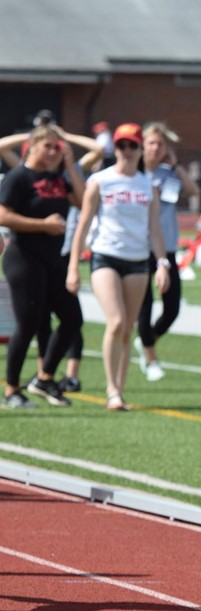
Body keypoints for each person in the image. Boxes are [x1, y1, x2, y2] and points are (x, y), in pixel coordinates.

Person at [68, 122, 170, 411]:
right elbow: (83, 224)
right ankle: (111, 389)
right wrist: (73, 265)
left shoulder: (147, 186)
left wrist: (162, 263)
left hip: (138, 260)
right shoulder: (100, 181)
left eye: (132, 145)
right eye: (121, 145)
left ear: (140, 149)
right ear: (115, 148)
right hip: (105, 255)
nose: (127, 150)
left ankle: (119, 391)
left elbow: (155, 230)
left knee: (127, 328)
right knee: (115, 321)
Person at [0, 125, 85, 409]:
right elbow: (3, 215)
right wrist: (42, 225)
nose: (52, 152)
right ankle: (11, 389)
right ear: (32, 146)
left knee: (72, 318)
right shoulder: (19, 177)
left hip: (53, 259)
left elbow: (83, 201)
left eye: (56, 147)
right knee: (28, 324)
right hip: (24, 257)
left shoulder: (57, 178)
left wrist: (69, 165)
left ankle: (44, 377)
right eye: (47, 146)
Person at [135, 122, 199, 382]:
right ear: (142, 145)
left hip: (167, 247)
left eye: (160, 144)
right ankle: (151, 359)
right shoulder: (134, 173)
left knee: (172, 308)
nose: (156, 148)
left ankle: (147, 338)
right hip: (140, 248)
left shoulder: (168, 174)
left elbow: (193, 191)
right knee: (144, 306)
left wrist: (176, 165)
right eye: (151, 143)